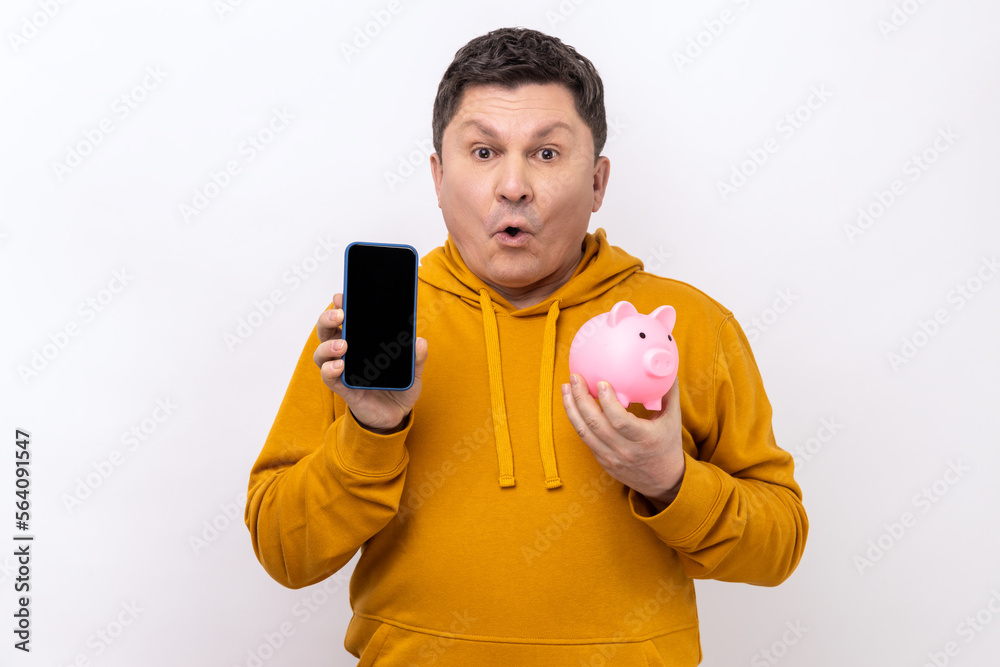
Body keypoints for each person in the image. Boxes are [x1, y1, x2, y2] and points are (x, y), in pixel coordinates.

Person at [245, 27, 808, 666]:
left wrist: (671, 481)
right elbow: (285, 553)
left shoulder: (688, 326)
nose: (513, 185)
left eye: (546, 153)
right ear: (437, 177)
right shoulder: (367, 332)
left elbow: (778, 548)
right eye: (484, 151)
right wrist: (371, 433)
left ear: (596, 182)